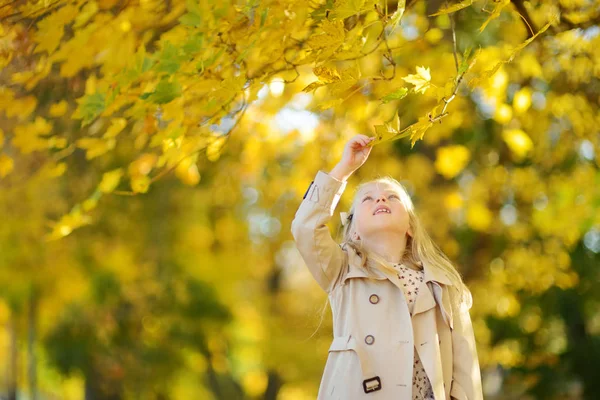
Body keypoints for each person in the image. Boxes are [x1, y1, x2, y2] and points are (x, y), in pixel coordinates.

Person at [291, 134, 484, 399]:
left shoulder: (444, 285)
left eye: (392, 197)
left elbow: (466, 375)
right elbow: (305, 226)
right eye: (367, 199)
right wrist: (343, 169)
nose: (380, 200)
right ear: (354, 231)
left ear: (410, 227)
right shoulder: (343, 271)